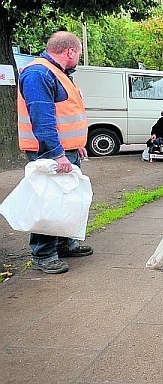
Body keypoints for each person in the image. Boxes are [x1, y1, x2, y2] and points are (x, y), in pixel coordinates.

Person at [17, 31, 93, 274]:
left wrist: (76, 143)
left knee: (66, 201)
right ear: (70, 51)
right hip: (50, 154)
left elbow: (65, 115)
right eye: (79, 53)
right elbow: (42, 118)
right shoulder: (39, 73)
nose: (78, 58)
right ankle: (44, 254)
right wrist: (56, 153)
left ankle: (63, 243)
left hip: (65, 151)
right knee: (48, 202)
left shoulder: (58, 74)